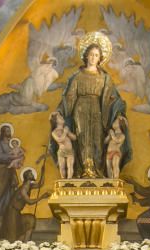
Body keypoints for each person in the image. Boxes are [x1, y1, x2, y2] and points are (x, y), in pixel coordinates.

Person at [57, 37, 129, 178]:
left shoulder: (105, 78)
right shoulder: (78, 76)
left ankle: (97, 170)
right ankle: (84, 170)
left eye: (96, 55)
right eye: (91, 54)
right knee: (82, 137)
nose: (93, 57)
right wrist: (60, 112)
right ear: (86, 56)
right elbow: (69, 96)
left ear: (100, 58)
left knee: (97, 138)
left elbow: (114, 98)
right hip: (80, 110)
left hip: (97, 110)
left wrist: (120, 112)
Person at [0, 123, 18, 222]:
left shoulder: (10, 145)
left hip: (9, 172)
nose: (9, 132)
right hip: (0, 173)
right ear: (3, 133)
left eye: (9, 130)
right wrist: (11, 157)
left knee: (9, 193)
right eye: (7, 130)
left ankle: (5, 215)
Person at [50, 111, 77, 179]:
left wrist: (68, 133)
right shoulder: (54, 132)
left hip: (70, 151)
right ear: (55, 121)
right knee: (62, 167)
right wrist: (65, 132)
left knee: (70, 166)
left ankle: (69, 180)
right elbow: (59, 140)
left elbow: (74, 138)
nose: (62, 117)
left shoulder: (66, 129)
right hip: (61, 151)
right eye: (59, 117)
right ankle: (63, 179)